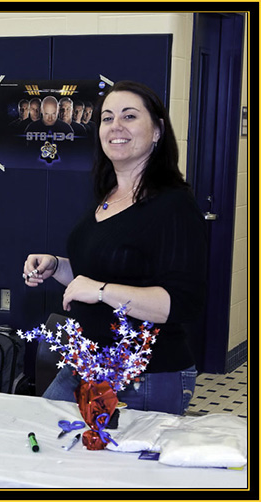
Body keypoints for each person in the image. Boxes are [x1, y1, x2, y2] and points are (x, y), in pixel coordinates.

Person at [23, 80, 207, 415]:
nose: (115, 127)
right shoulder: (107, 197)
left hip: (144, 377)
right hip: (85, 365)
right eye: (107, 118)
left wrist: (101, 290)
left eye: (129, 116)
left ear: (157, 131)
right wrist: (57, 266)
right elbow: (99, 276)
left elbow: (183, 304)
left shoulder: (174, 205)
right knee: (43, 445)